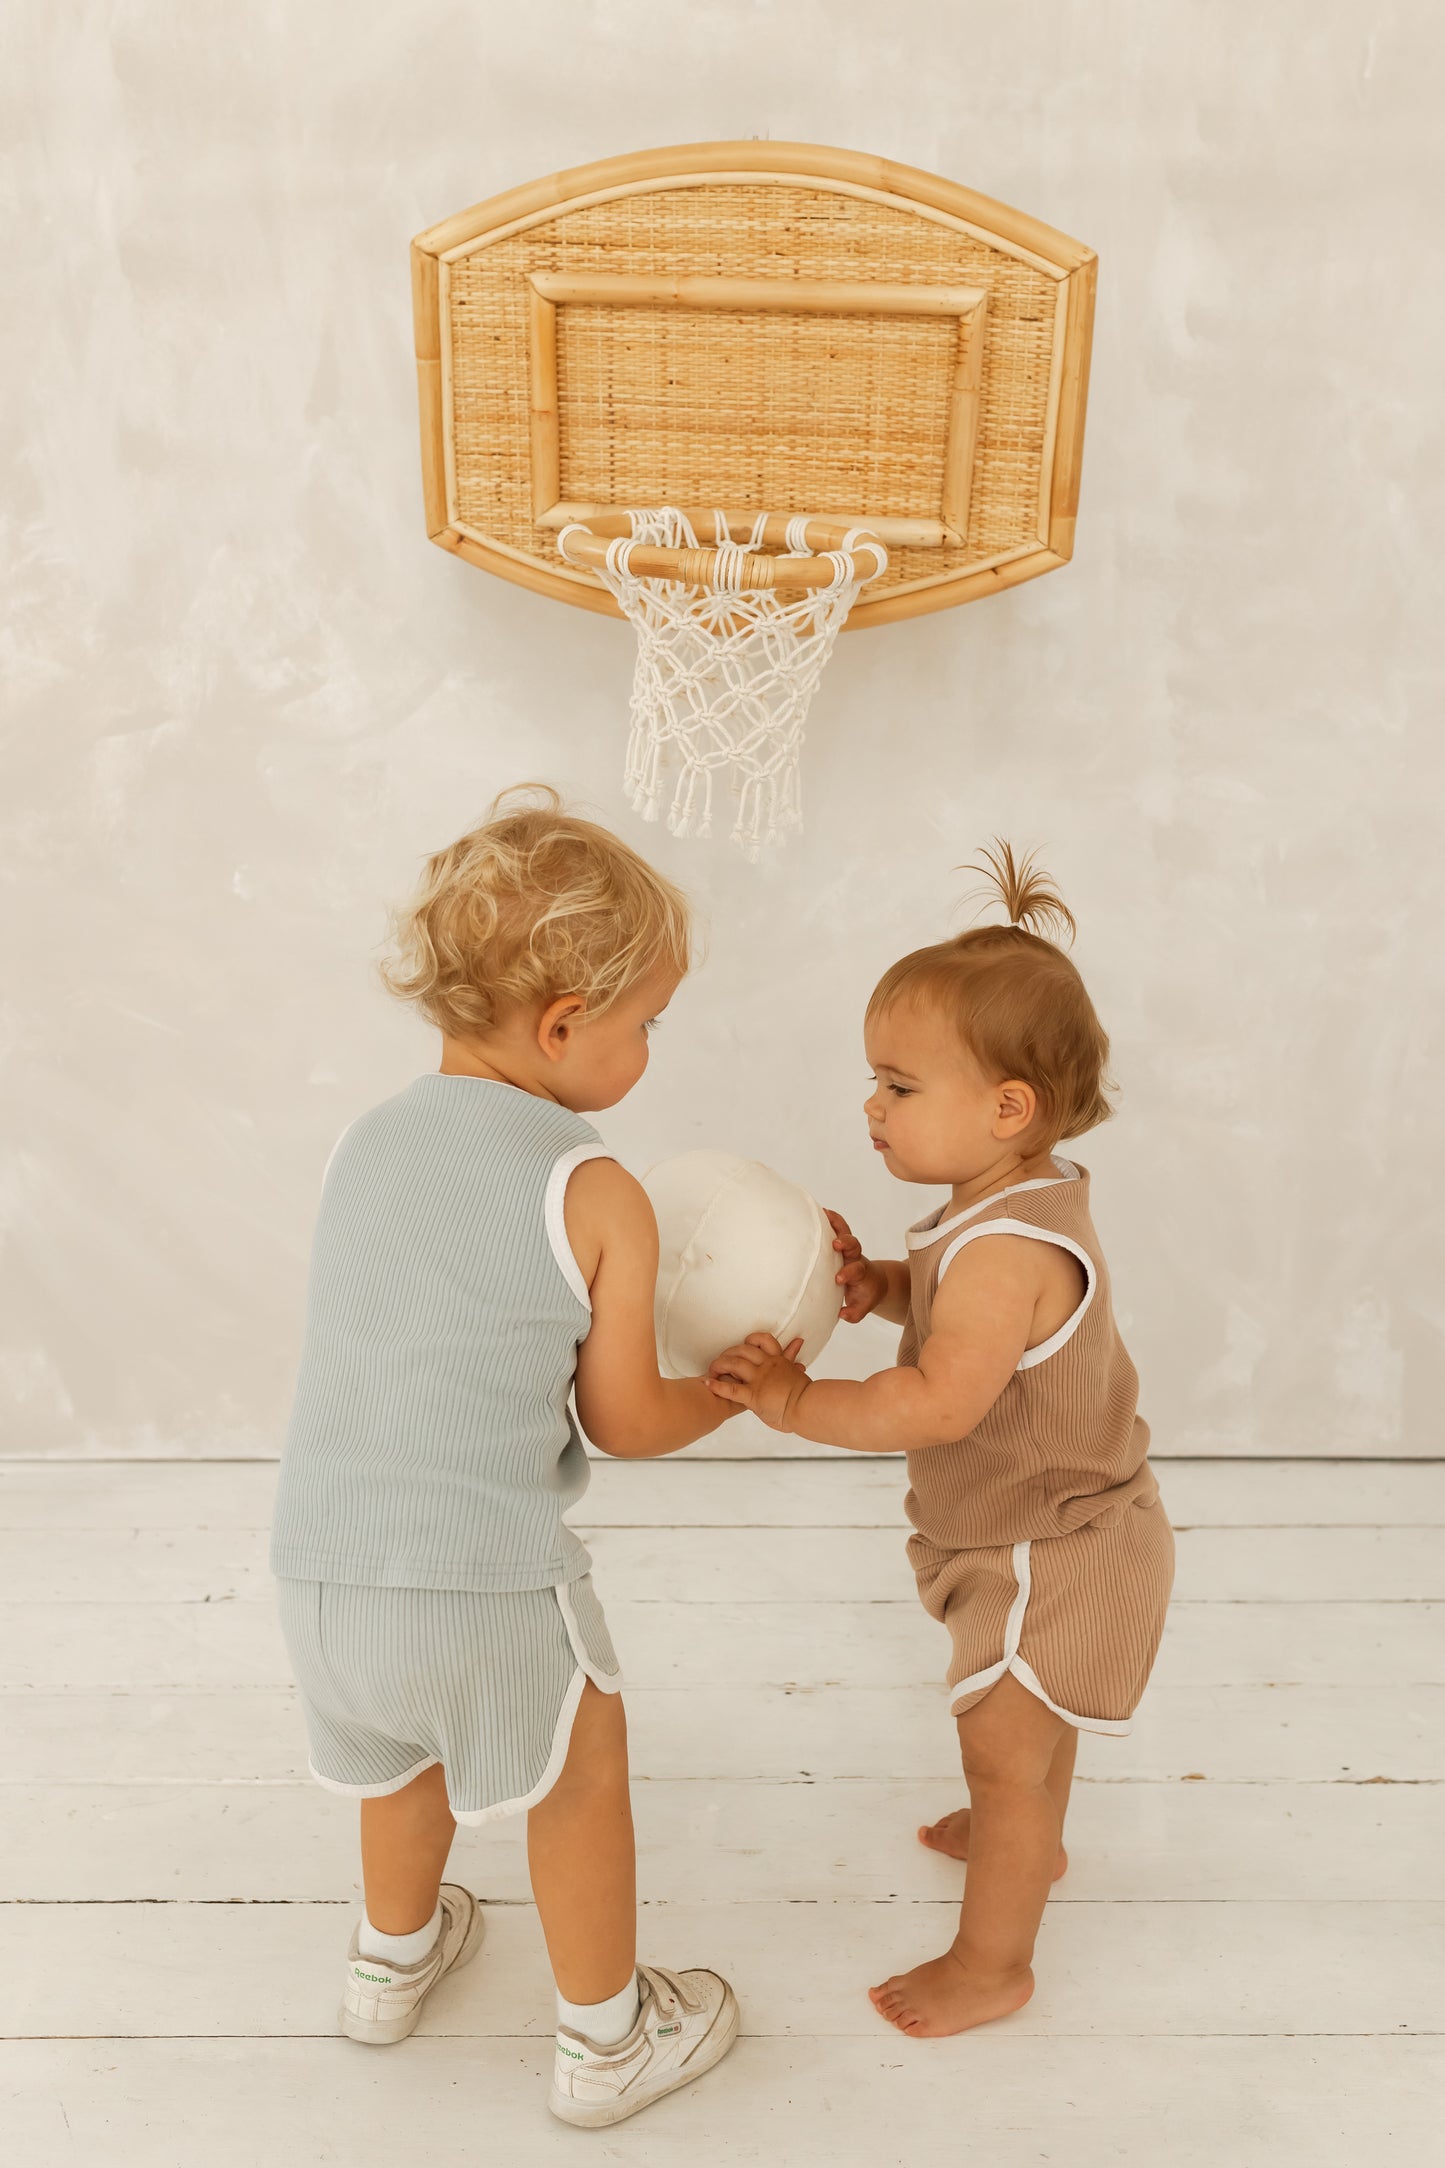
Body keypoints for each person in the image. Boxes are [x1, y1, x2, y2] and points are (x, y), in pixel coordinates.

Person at [269, 786, 741, 2127]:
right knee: (580, 1778)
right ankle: (607, 2041)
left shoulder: (361, 1144)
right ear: (562, 1025)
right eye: (646, 1024)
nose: (647, 1049)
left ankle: (388, 1963)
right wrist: (727, 1393)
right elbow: (624, 1422)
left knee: (399, 1756)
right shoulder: (593, 1187)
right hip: (484, 1577)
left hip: (319, 1571)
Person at [708, 843, 1174, 2040]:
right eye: (874, 1080)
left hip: (1046, 1546)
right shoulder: (1003, 1206)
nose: (871, 1106)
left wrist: (792, 1399)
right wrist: (883, 1283)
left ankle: (991, 1958)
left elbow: (936, 1402)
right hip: (1057, 1520)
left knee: (1002, 1747)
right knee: (1026, 1720)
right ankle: (1025, 1828)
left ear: (1006, 1108)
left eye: (899, 1086)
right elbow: (964, 1311)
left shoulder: (1004, 1247)